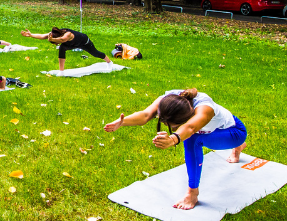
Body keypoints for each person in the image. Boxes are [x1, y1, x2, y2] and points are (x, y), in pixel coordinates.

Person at [104, 88, 247, 210]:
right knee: (192, 135)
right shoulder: (170, 99)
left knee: (192, 138)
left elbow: (190, 128)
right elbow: (146, 115)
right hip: (216, 129)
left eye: (173, 125)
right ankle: (237, 148)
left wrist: (173, 140)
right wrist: (122, 122)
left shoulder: (205, 108)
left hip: (234, 132)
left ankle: (192, 193)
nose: (171, 127)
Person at [21, 27, 113, 74]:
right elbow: (43, 36)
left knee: (95, 53)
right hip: (71, 45)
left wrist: (53, 40)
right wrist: (31, 35)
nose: (55, 44)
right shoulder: (54, 34)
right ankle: (61, 71)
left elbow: (62, 40)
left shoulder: (67, 34)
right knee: (62, 48)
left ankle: (109, 62)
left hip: (84, 42)